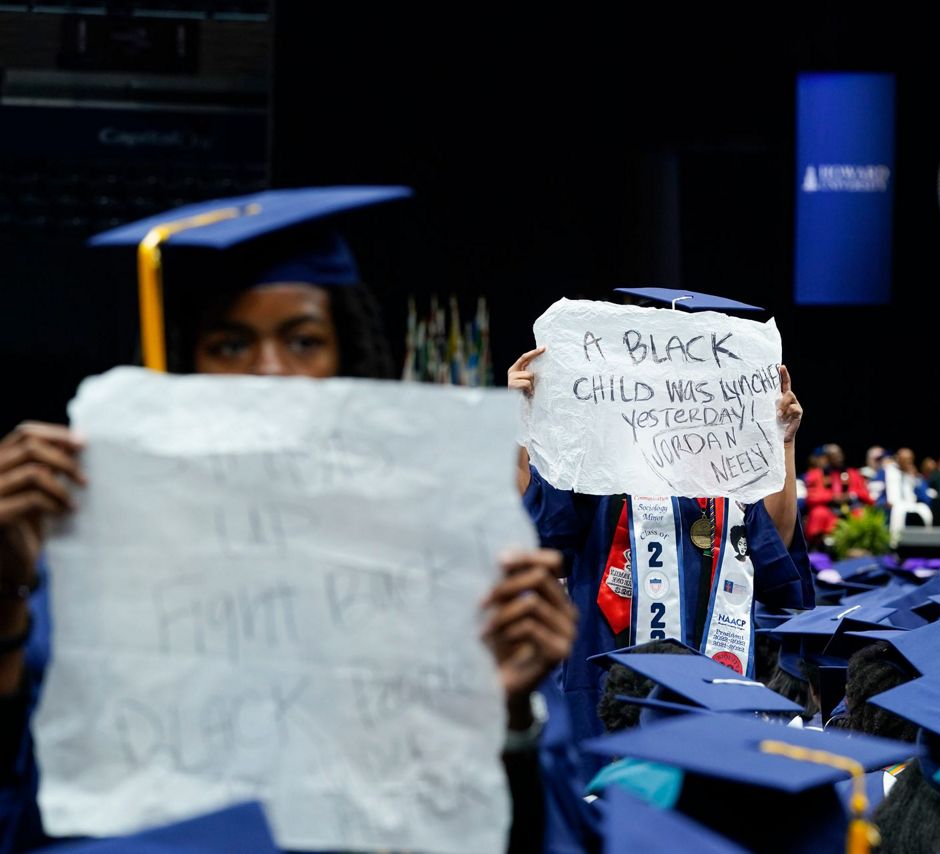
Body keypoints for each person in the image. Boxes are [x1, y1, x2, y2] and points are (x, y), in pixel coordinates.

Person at [0, 189, 578, 850]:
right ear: (186, 364)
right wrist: (6, 599)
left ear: (347, 358)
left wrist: (507, 712)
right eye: (229, 343)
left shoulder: (431, 560)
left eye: (304, 341)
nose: (268, 372)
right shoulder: (96, 560)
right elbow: (30, 801)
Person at [509, 306, 813, 748]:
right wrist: (523, 424)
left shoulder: (729, 478)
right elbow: (533, 528)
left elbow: (775, 550)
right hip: (604, 681)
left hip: (715, 679)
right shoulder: (599, 472)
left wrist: (783, 442)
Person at [802, 442, 874, 540]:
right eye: (834, 456)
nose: (839, 458)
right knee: (818, 513)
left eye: (840, 454)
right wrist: (832, 497)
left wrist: (851, 494)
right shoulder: (816, 475)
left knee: (861, 513)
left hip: (850, 508)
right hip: (829, 509)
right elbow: (811, 497)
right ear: (827, 458)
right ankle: (818, 546)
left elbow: (867, 496)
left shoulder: (853, 473)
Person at [874, 448, 933, 543]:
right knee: (898, 510)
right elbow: (875, 494)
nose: (907, 462)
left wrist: (916, 478)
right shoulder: (886, 471)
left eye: (910, 460)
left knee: (925, 509)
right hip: (891, 506)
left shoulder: (913, 475)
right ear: (898, 459)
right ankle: (894, 543)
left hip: (910, 505)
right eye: (904, 459)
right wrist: (884, 502)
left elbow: (925, 497)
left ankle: (927, 541)